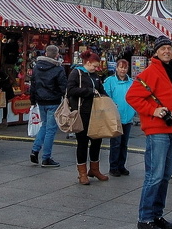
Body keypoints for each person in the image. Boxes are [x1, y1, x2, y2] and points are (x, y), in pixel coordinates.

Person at [126, 37, 172, 229]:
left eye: (169, 48)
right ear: (155, 52)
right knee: (154, 175)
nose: (167, 51)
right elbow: (132, 96)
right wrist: (154, 111)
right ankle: (145, 218)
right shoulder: (151, 72)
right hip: (158, 131)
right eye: (163, 48)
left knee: (164, 176)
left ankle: (157, 215)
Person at [67, 50, 108, 185]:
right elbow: (70, 90)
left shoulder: (95, 76)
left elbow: (101, 89)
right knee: (83, 143)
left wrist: (107, 99)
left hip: (95, 114)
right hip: (81, 113)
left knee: (97, 142)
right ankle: (82, 173)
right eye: (95, 66)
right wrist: (88, 92)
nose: (96, 69)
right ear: (87, 63)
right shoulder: (76, 73)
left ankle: (94, 169)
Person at [28, 44, 66, 168]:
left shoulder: (37, 67)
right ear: (56, 55)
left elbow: (33, 85)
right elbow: (62, 86)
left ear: (45, 53)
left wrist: (33, 100)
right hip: (53, 101)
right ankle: (46, 157)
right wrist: (66, 98)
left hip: (41, 100)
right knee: (50, 129)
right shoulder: (58, 68)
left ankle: (35, 150)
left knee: (44, 126)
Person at [104, 58, 134, 177]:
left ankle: (122, 165)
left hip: (128, 117)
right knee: (115, 143)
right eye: (121, 67)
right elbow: (105, 97)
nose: (123, 70)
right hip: (115, 117)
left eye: (125, 68)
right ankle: (113, 166)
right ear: (116, 68)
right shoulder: (110, 81)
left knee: (124, 144)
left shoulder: (131, 82)